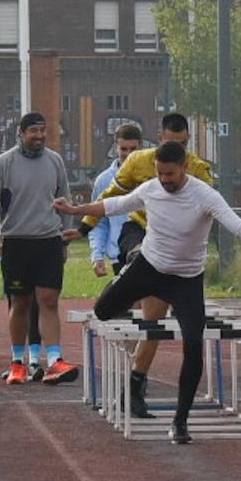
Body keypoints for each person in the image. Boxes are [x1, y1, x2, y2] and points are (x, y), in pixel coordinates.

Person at [54, 141, 241, 443]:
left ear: (185, 169)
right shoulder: (151, 188)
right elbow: (114, 205)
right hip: (149, 268)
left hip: (186, 280)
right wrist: (76, 213)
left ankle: (180, 422)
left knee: (193, 344)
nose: (165, 180)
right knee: (102, 312)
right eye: (161, 173)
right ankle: (123, 280)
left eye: (171, 174)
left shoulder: (205, 196)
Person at [64, 113, 213, 418]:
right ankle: (127, 282)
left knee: (153, 320)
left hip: (173, 246)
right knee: (140, 254)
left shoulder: (198, 169)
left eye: (182, 146)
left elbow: (212, 212)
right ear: (160, 140)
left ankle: (134, 387)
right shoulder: (137, 162)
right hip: (138, 234)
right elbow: (110, 199)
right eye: (171, 145)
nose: (175, 154)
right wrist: (83, 228)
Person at [0, 112, 79, 385]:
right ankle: (17, 362)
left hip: (48, 241)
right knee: (20, 302)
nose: (39, 136)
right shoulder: (4, 163)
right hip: (17, 242)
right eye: (33, 131)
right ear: (21, 134)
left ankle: (55, 360)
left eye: (43, 131)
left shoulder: (55, 161)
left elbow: (64, 201)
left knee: (48, 300)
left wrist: (64, 239)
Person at [89, 122, 143, 277]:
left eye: (133, 149)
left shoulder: (151, 176)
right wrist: (97, 255)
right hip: (119, 254)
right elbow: (98, 221)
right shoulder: (104, 180)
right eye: (123, 149)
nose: (128, 154)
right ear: (116, 148)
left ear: (141, 147)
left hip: (149, 251)